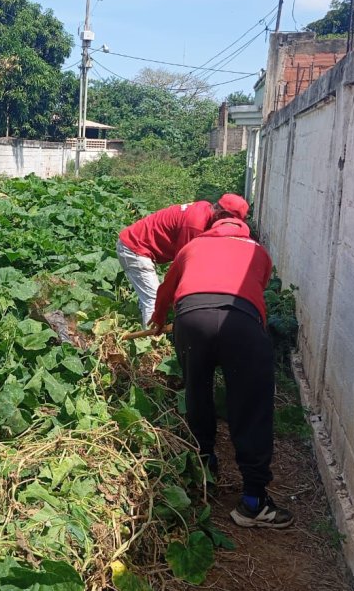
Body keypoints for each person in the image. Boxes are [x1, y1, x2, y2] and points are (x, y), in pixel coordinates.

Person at [148, 217, 294, 529]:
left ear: (211, 226)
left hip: (191, 319)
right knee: (251, 407)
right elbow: (255, 292)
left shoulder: (192, 246)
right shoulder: (258, 251)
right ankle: (253, 502)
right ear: (245, 229)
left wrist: (159, 319)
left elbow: (166, 289)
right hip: (240, 322)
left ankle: (203, 468)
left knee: (197, 392)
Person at [116, 194, 249, 326]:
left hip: (141, 246)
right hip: (135, 247)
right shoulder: (195, 226)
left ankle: (145, 324)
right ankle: (150, 336)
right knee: (153, 301)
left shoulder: (204, 208)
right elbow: (183, 266)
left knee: (150, 296)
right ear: (221, 215)